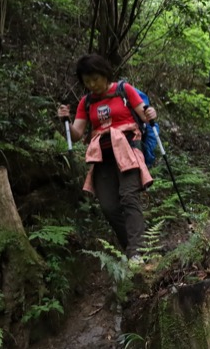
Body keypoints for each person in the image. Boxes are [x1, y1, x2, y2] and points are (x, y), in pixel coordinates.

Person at [57, 54, 157, 265]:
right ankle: (133, 248)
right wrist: (65, 121)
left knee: (129, 197)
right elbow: (76, 134)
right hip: (102, 156)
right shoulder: (87, 102)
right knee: (109, 207)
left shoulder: (124, 90)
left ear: (104, 74)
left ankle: (137, 252)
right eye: (87, 81)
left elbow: (144, 115)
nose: (92, 85)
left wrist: (151, 113)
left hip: (128, 148)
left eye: (95, 79)